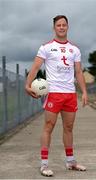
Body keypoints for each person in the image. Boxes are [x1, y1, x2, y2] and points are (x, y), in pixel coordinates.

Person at [25, 15, 88, 177]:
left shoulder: (75, 49)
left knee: (68, 128)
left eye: (64, 25)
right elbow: (35, 66)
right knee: (48, 127)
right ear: (54, 28)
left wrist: (84, 92)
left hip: (70, 94)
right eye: (58, 25)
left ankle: (70, 161)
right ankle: (44, 164)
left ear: (68, 27)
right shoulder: (46, 47)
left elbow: (79, 72)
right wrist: (27, 84)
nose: (61, 27)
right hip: (53, 94)